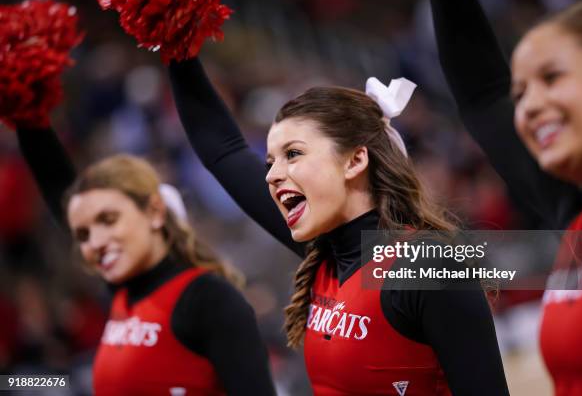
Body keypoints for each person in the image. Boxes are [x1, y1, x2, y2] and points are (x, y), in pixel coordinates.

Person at [167, 56, 509, 393]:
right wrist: (175, 46)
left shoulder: (427, 264)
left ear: (355, 160)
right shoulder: (325, 252)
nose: (271, 175)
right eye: (270, 161)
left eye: (293, 154)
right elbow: (223, 151)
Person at [429, 0, 582, 394]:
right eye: (521, 93)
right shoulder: (581, 216)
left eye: (552, 78)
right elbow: (482, 94)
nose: (528, 107)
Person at [14, 126, 276, 395]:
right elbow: (58, 186)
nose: (95, 242)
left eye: (109, 220)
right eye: (83, 234)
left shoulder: (208, 299)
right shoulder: (125, 295)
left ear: (154, 213)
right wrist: (29, 117)